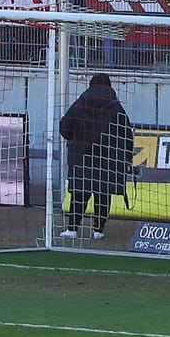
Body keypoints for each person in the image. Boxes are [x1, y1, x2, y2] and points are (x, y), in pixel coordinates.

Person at [58, 72, 134, 239]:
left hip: (81, 156)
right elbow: (127, 132)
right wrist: (126, 155)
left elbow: (65, 126)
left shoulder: (80, 103)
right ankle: (98, 230)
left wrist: (75, 140)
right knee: (103, 193)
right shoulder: (115, 107)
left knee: (79, 192)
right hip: (108, 159)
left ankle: (72, 229)